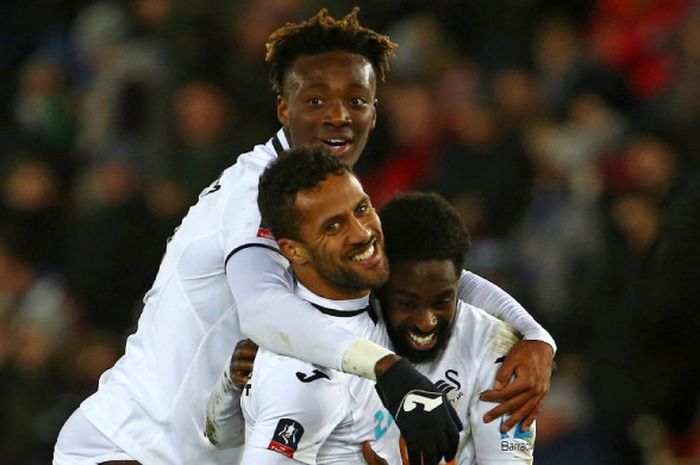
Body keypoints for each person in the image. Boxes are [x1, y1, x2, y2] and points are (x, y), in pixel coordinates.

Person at [54, 8, 554, 465]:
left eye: (356, 100)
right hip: (132, 443)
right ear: (283, 110)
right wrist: (388, 369)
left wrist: (533, 335)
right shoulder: (256, 193)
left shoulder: (334, 198)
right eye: (316, 99)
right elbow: (263, 309)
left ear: (375, 113)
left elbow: (420, 272)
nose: (338, 115)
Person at [206, 188, 536, 464]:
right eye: (407, 303)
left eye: (441, 301)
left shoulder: (497, 349)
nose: (425, 321)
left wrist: (537, 337)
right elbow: (223, 437)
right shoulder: (325, 336)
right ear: (378, 287)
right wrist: (232, 384)